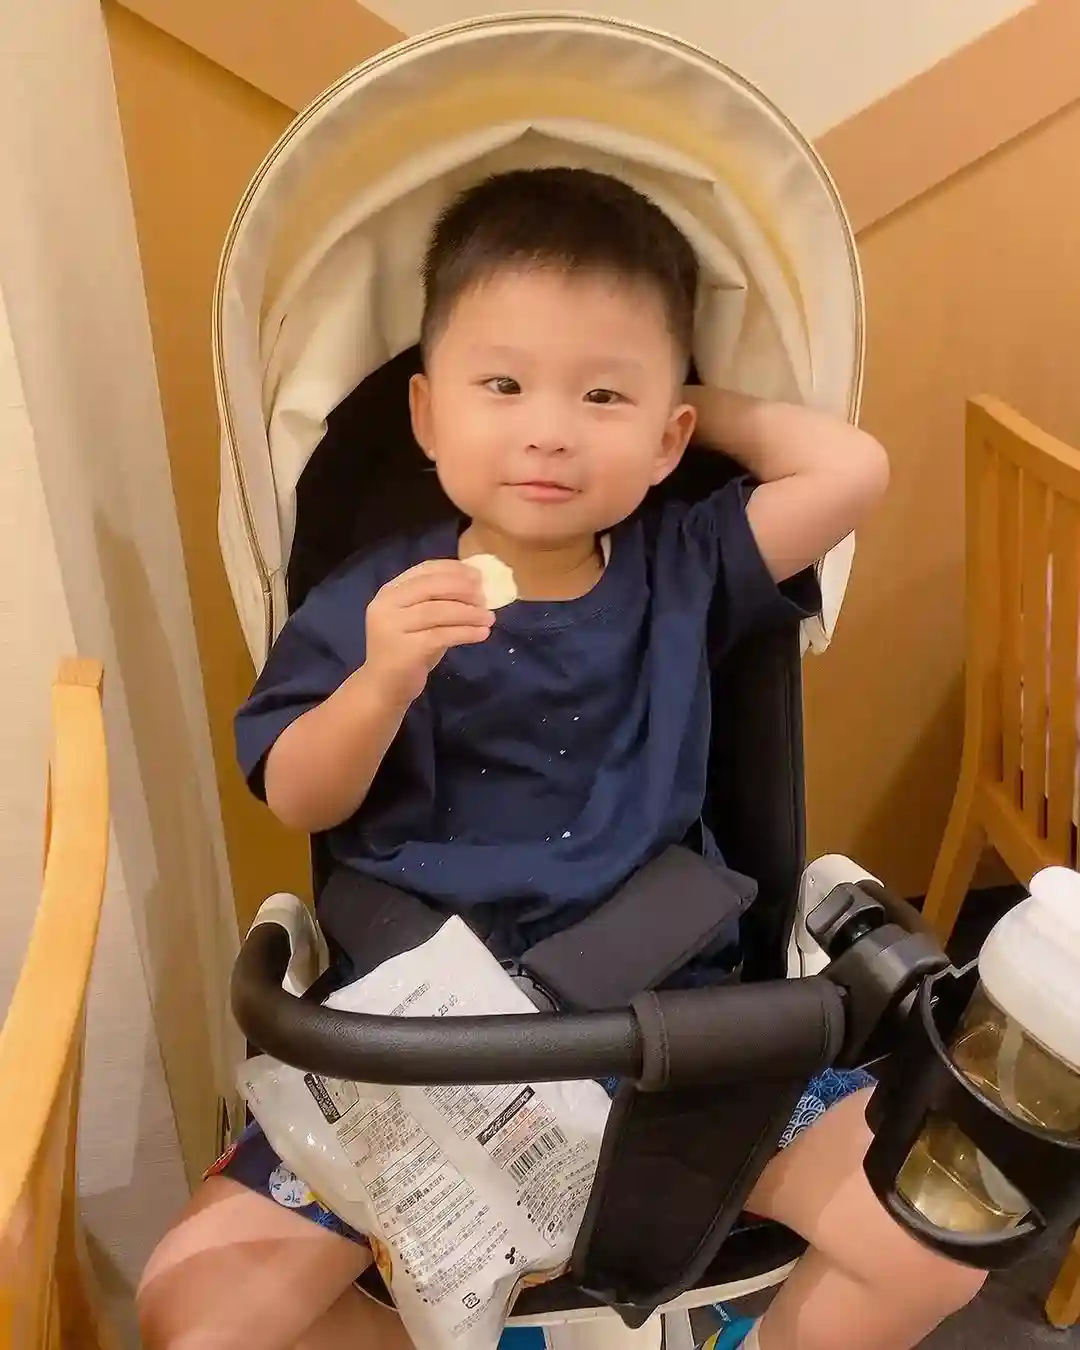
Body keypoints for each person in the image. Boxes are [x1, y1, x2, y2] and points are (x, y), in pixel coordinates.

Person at [138, 167, 981, 1350]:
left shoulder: (685, 566)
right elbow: (298, 792)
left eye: (600, 394)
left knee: (936, 1236)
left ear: (670, 434)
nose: (547, 428)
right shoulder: (371, 602)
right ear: (427, 416)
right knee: (191, 1311)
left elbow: (852, 471)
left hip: (663, 1038)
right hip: (423, 1052)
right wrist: (379, 683)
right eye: (502, 385)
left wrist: (684, 405)